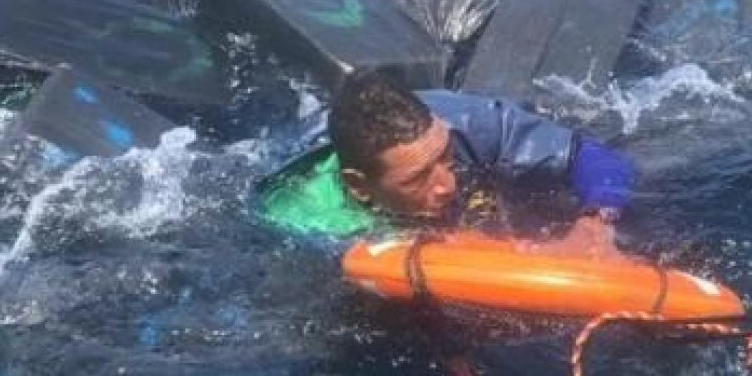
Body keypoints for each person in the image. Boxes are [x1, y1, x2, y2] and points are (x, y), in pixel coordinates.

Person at [258, 72, 635, 261]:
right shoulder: (303, 218)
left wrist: (595, 222)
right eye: (418, 178)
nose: (448, 185)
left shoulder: (464, 125)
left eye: (445, 156)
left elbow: (597, 157)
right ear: (357, 185)